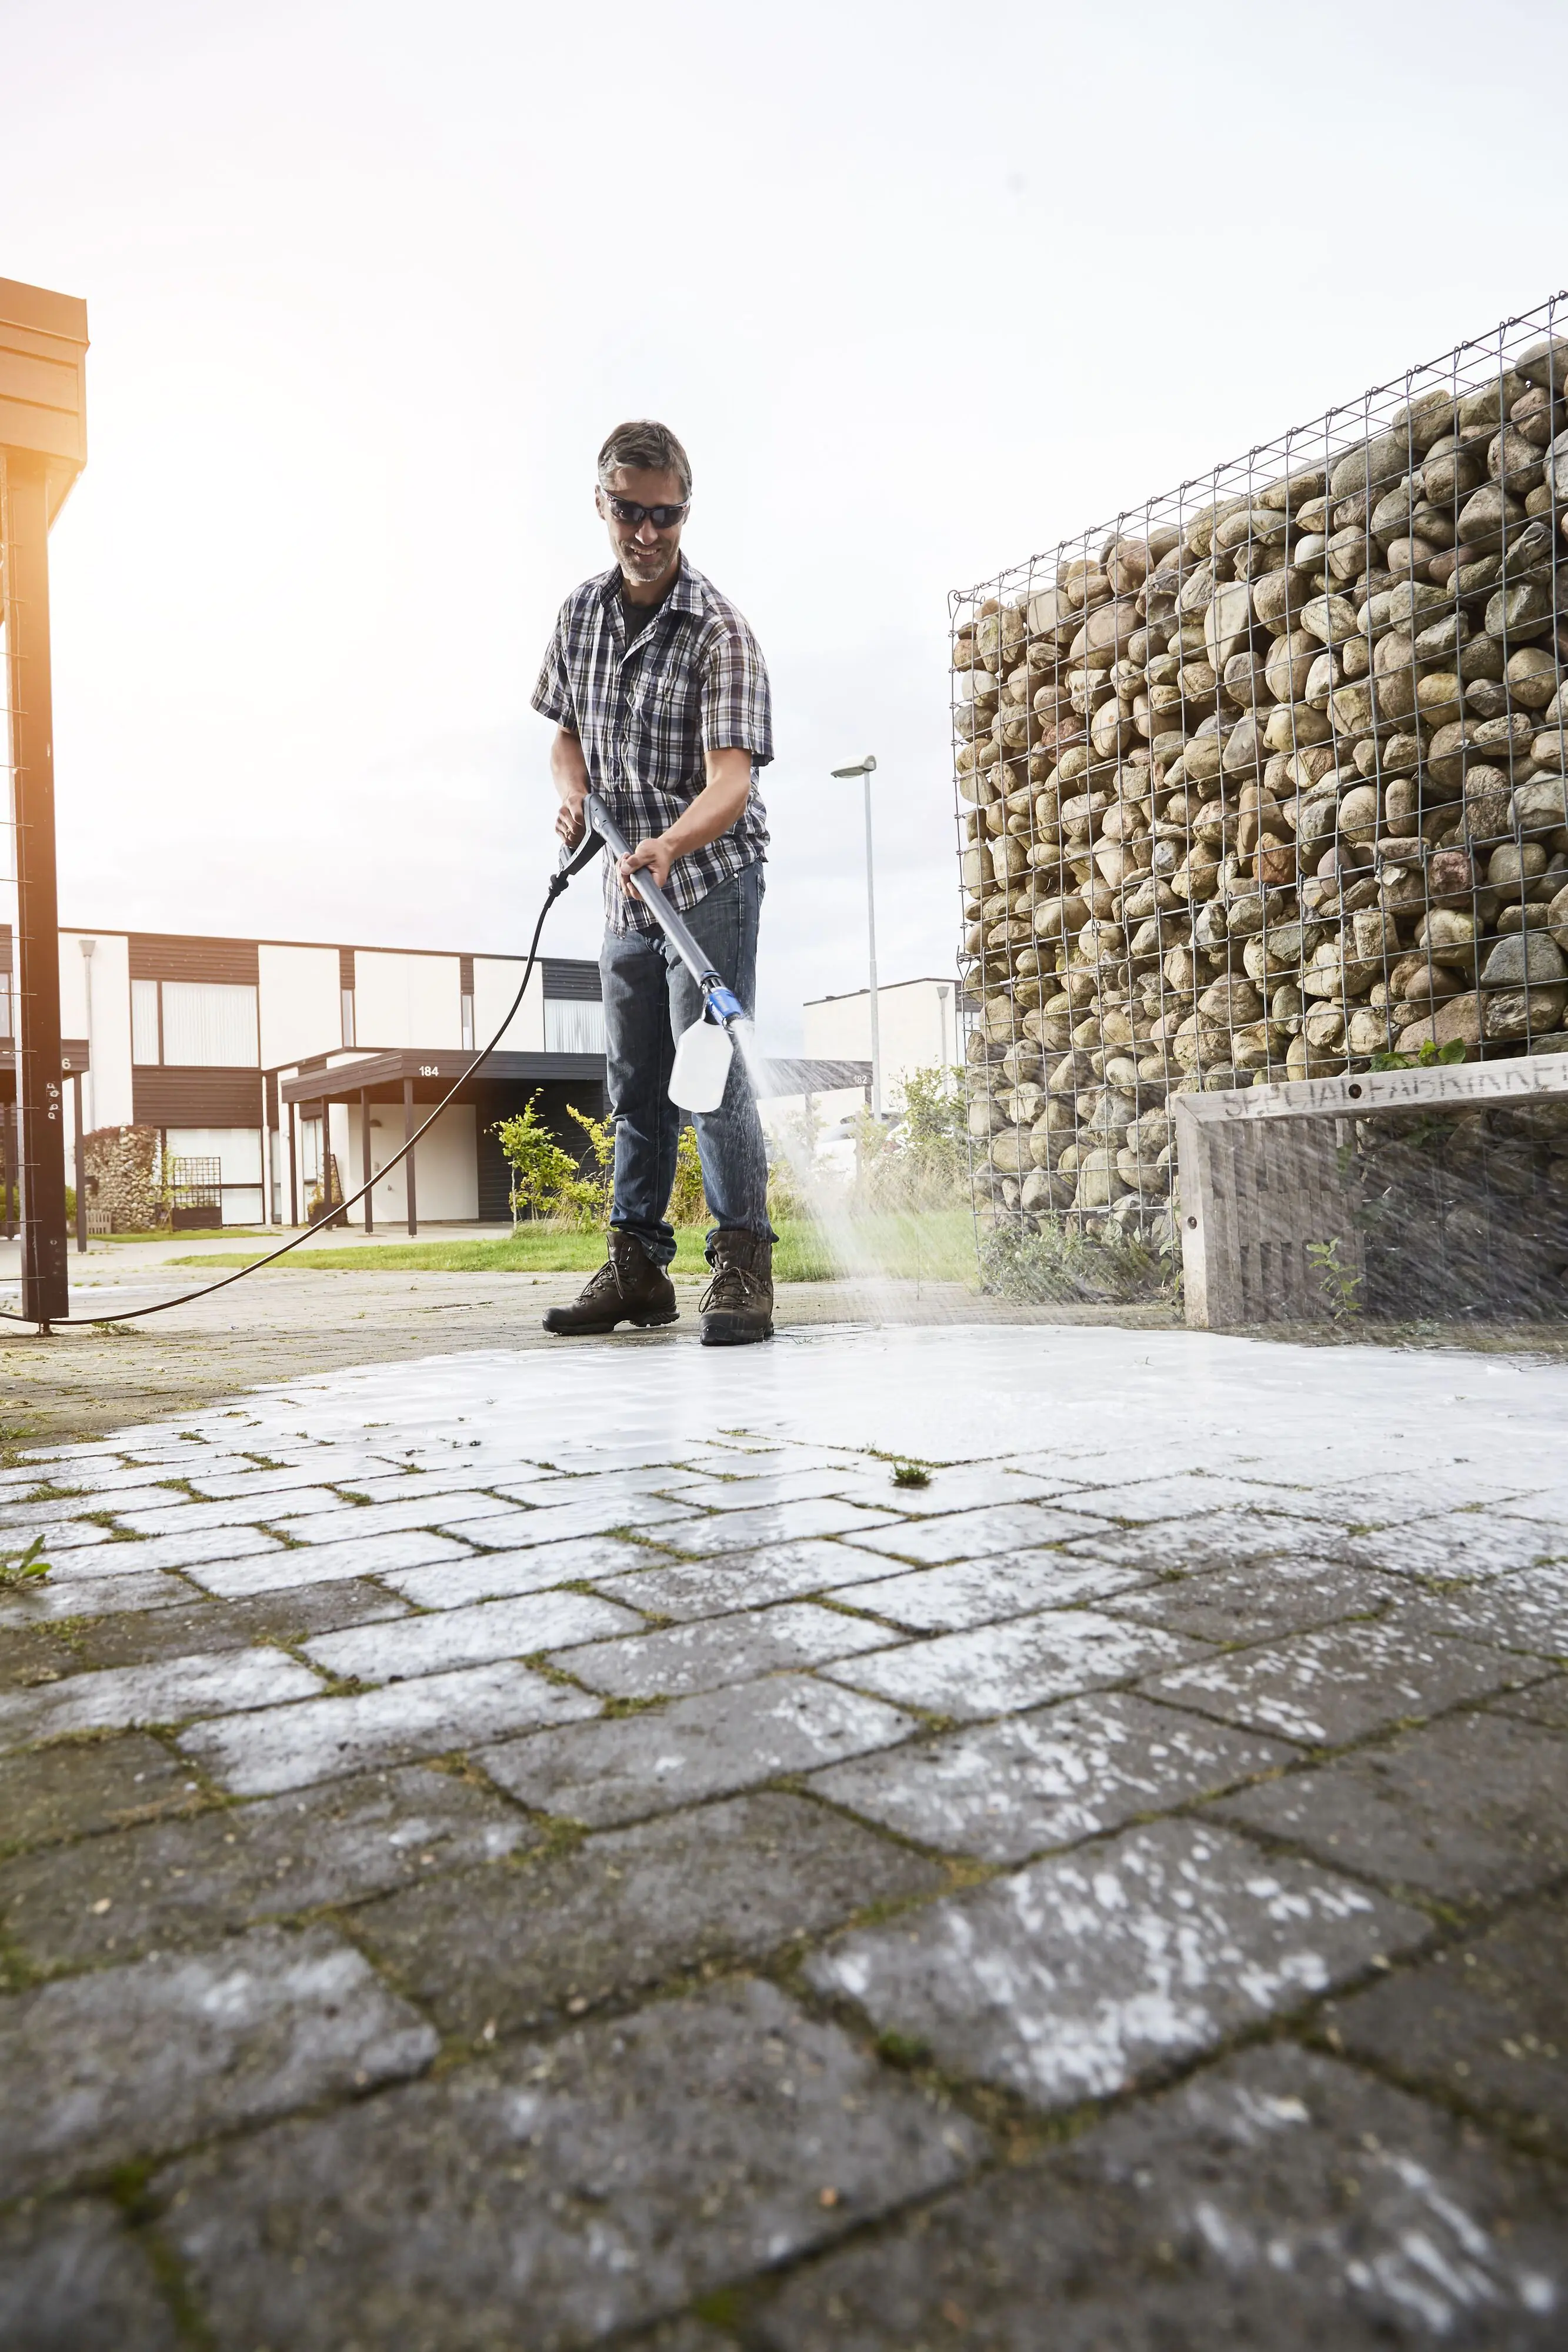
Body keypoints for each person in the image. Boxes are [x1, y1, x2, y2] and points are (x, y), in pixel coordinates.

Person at [531, 419, 778, 1346]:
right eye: (629, 512)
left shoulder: (719, 630)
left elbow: (733, 779)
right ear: (602, 504)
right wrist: (573, 797)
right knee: (633, 1081)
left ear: (684, 510)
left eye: (664, 515)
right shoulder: (579, 616)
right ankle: (638, 1267)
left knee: (708, 1078)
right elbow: (563, 730)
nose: (646, 532)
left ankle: (742, 1264)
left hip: (708, 878)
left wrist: (668, 845)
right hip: (625, 892)